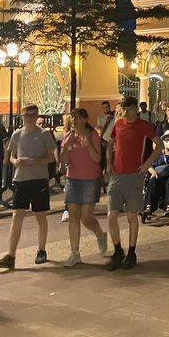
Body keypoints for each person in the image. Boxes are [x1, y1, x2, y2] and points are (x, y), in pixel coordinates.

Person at [0, 105, 59, 269]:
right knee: (17, 215)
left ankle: (41, 249)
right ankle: (11, 254)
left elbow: (51, 157)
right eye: (26, 115)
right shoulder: (17, 134)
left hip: (39, 179)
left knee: (40, 215)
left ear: (37, 115)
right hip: (21, 179)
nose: (29, 118)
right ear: (22, 116)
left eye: (32, 115)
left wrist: (33, 161)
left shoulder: (44, 134)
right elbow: (11, 155)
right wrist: (15, 161)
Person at [106, 95, 157, 270]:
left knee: (131, 215)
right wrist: (108, 162)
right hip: (117, 175)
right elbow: (110, 142)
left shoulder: (143, 126)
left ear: (136, 109)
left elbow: (158, 144)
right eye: (124, 109)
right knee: (111, 215)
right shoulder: (118, 124)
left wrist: (147, 163)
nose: (126, 112)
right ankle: (117, 249)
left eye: (129, 109)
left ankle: (132, 251)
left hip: (135, 175)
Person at [58, 108, 108, 267]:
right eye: (72, 117)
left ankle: (100, 234)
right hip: (73, 179)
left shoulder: (92, 135)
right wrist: (66, 147)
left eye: (77, 117)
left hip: (90, 179)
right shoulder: (68, 136)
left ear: (85, 119)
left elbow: (97, 158)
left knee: (86, 217)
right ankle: (75, 253)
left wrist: (88, 144)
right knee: (73, 216)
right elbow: (64, 162)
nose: (73, 120)